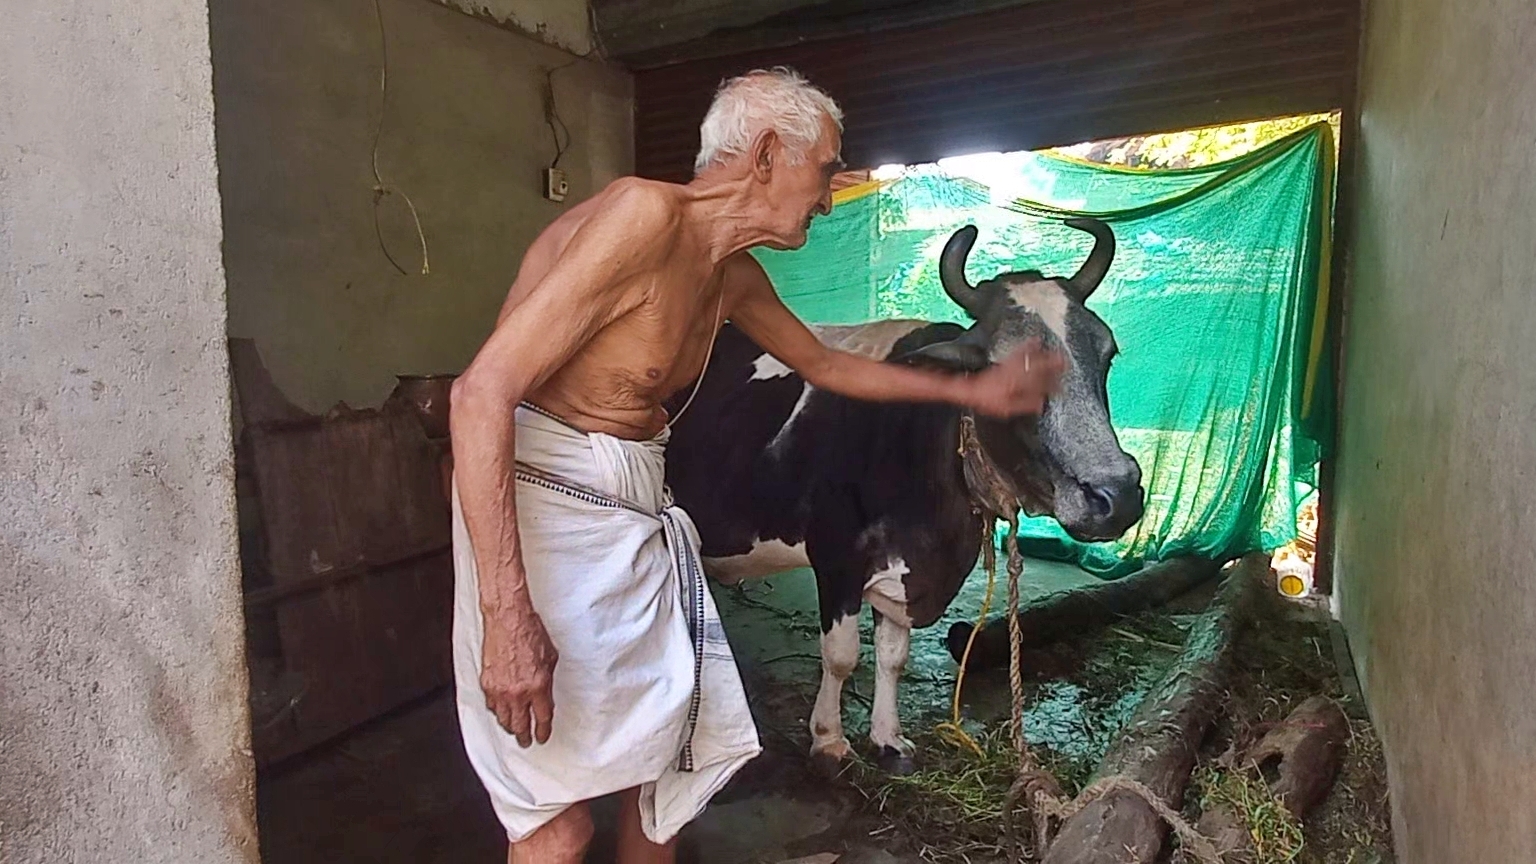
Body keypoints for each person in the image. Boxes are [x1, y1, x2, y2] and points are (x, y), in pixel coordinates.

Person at [448, 66, 1065, 864]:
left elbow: (829, 366)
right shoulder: (642, 216)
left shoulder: (729, 274)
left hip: (636, 513)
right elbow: (478, 396)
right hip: (546, 518)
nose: (830, 195)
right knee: (555, 822)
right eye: (825, 168)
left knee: (663, 786)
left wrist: (972, 383)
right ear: (769, 151)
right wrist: (506, 620)